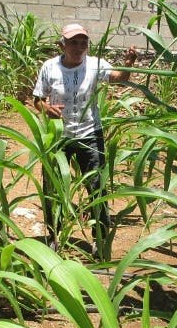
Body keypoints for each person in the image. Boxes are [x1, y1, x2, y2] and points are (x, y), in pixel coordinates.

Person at [32, 23, 137, 259]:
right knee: (53, 187)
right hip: (58, 137)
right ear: (62, 45)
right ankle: (53, 237)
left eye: (83, 43)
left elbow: (118, 78)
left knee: (97, 188)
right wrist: (46, 109)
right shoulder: (50, 67)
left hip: (90, 134)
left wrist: (128, 64)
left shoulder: (95, 65)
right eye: (73, 42)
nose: (79, 47)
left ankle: (100, 240)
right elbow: (37, 99)